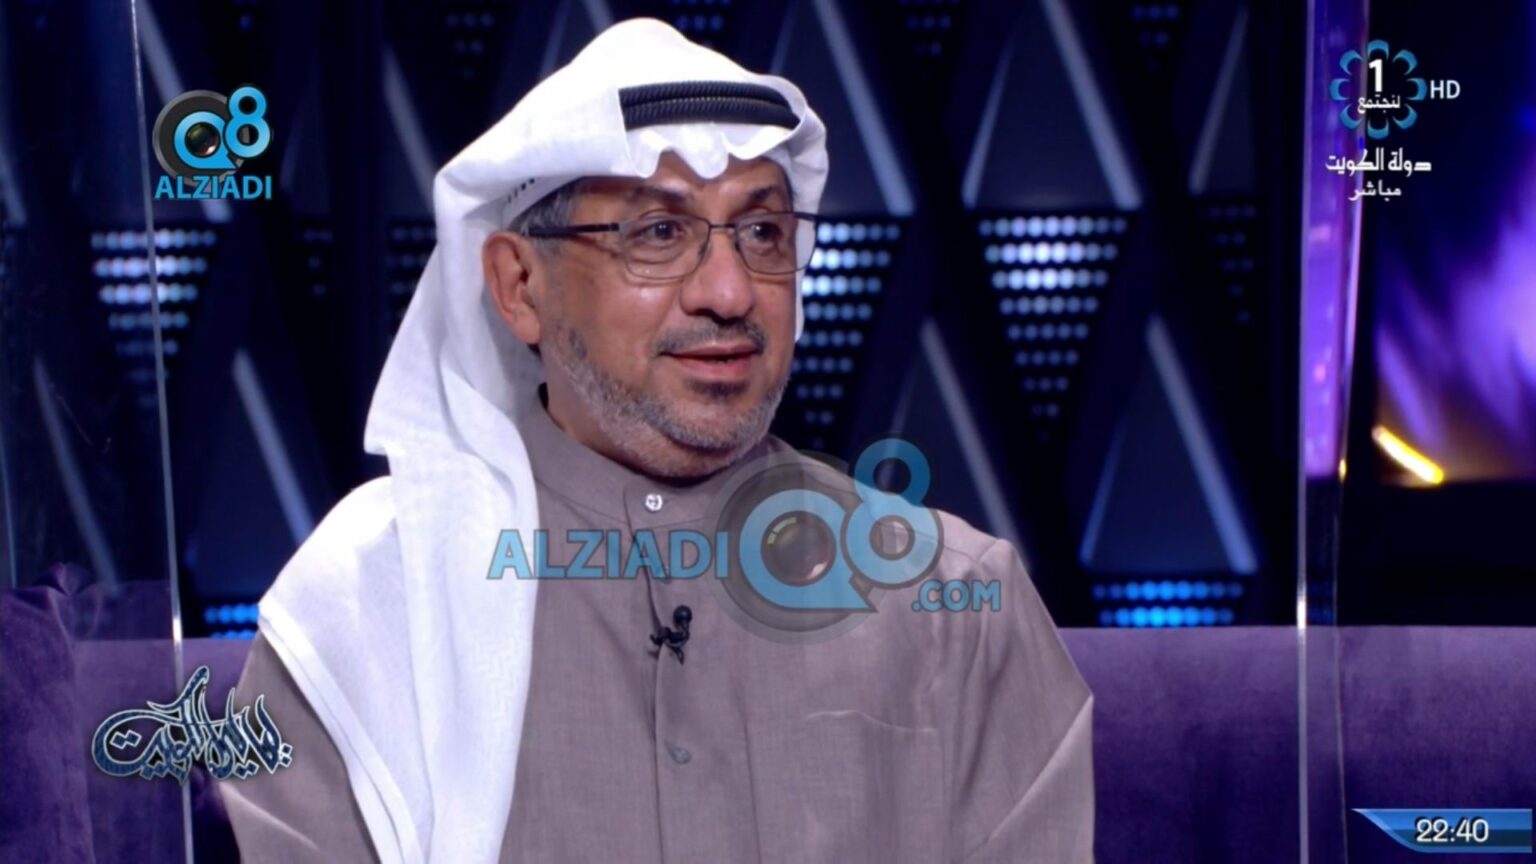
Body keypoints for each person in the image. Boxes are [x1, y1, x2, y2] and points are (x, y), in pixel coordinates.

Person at [219, 17, 1093, 864]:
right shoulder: (363, 615)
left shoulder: (955, 603)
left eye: (763, 234)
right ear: (519, 286)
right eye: (659, 233)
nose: (729, 292)